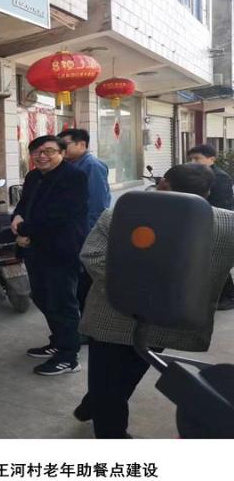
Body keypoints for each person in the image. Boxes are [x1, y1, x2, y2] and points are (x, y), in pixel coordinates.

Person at [74, 163, 234, 438]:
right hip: (171, 317)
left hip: (111, 314)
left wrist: (130, 290)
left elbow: (92, 255)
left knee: (108, 377)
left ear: (163, 184)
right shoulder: (228, 224)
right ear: (207, 193)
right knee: (132, 368)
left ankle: (110, 434)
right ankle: (94, 406)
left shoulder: (118, 215)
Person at [11, 135, 89, 376]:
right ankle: (58, 342)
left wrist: (24, 231)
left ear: (62, 153)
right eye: (36, 151)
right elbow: (24, 205)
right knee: (42, 297)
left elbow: (60, 216)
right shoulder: (33, 176)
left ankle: (69, 357)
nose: (42, 156)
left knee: (62, 302)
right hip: (35, 248)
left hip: (61, 249)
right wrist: (16, 219)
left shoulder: (74, 177)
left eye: (49, 151)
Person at [58, 128, 111, 315]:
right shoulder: (71, 165)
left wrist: (89, 236)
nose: (61, 149)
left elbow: (97, 204)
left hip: (85, 232)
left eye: (65, 144)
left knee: (85, 282)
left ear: (81, 144)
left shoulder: (91, 166)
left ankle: (87, 320)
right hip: (72, 231)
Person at [187, 144, 234, 310]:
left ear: (211, 159)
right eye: (191, 159)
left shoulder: (220, 177)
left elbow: (223, 205)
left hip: (217, 223)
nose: (193, 162)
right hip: (201, 221)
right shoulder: (197, 175)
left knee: (216, 261)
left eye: (197, 158)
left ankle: (228, 297)